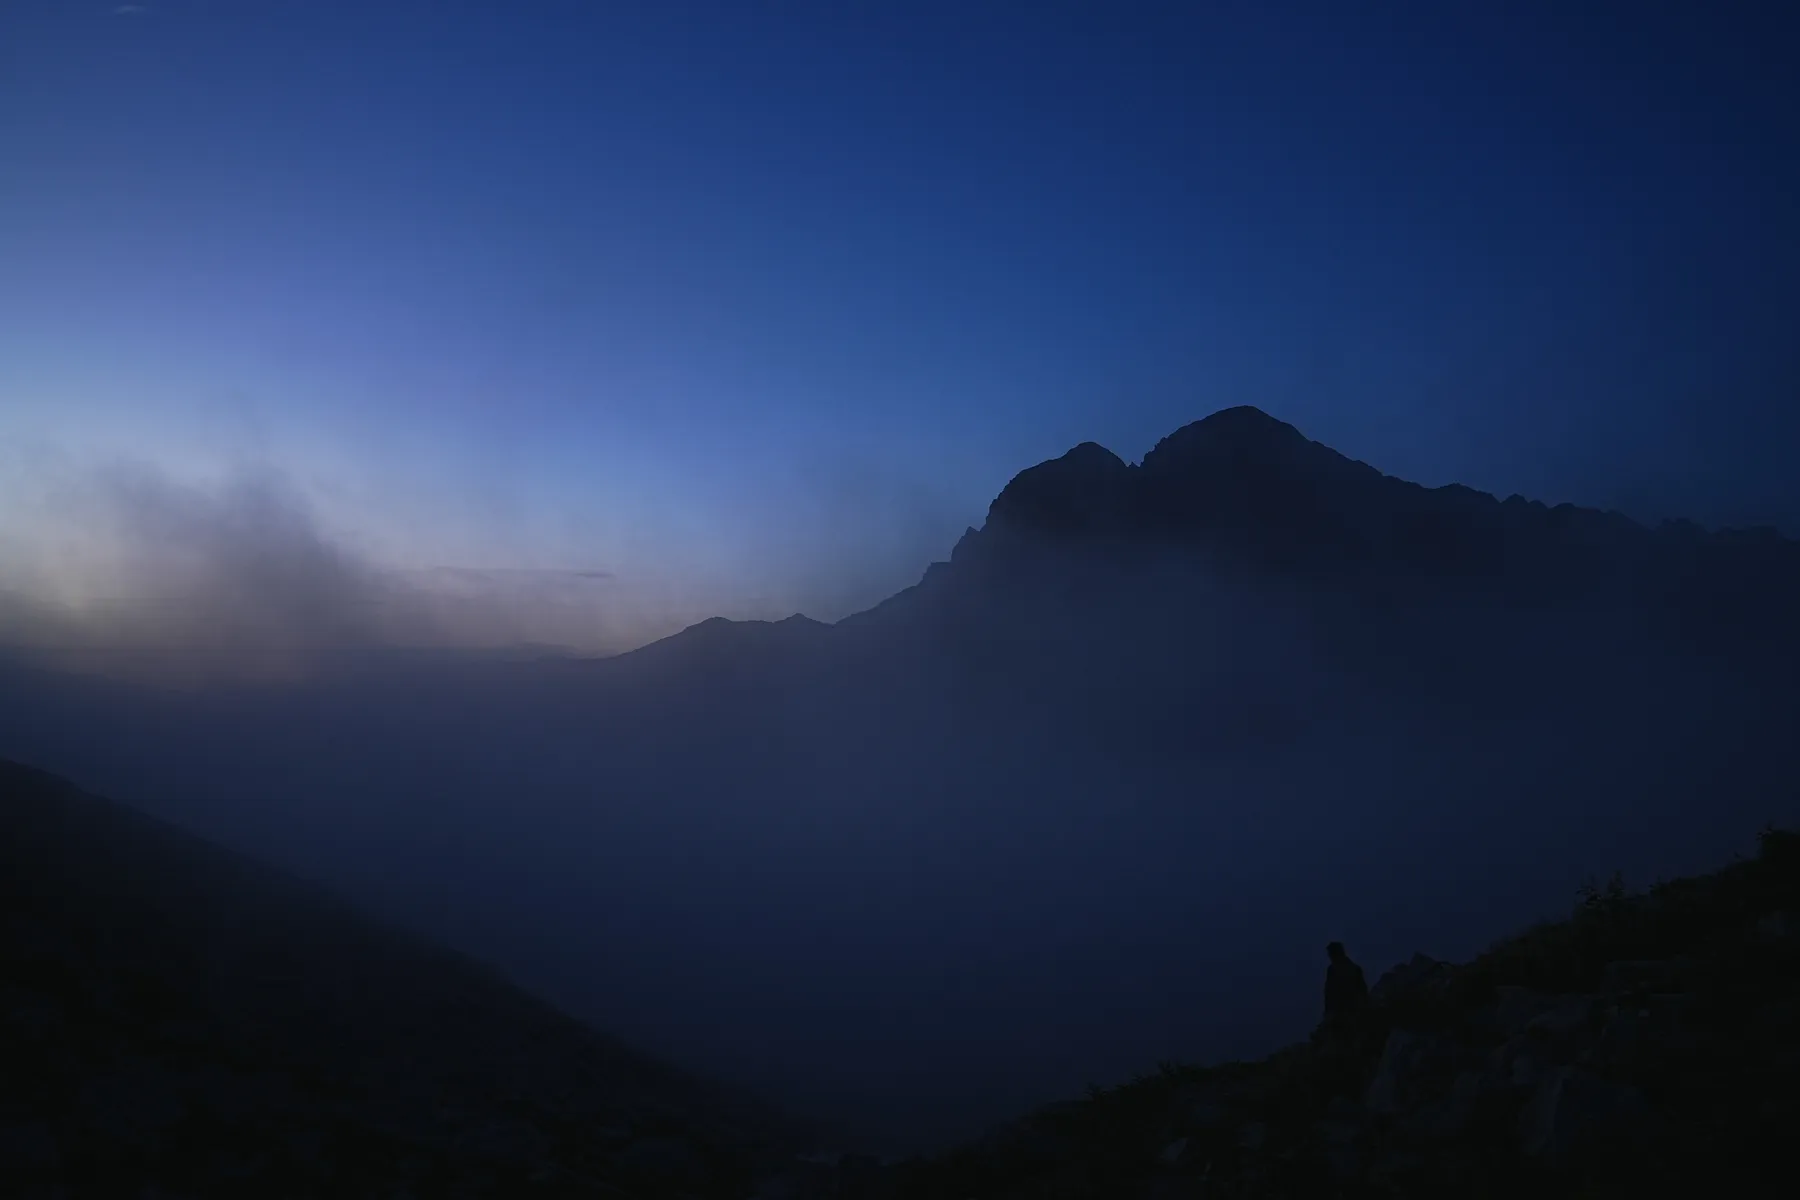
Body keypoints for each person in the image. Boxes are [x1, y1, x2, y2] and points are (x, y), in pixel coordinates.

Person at [1322, 941, 1369, 1026]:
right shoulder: (1332, 970)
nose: (1330, 956)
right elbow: (1329, 992)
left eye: (1331, 954)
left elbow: (1362, 992)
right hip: (1339, 1014)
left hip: (1349, 1013)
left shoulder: (1352, 969)